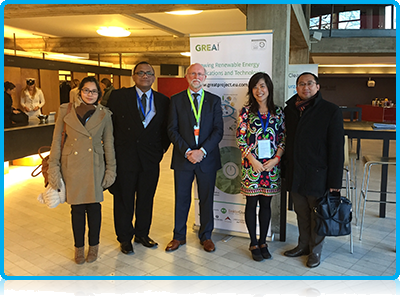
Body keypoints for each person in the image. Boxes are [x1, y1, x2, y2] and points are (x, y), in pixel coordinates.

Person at [47, 76, 116, 264]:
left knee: (94, 208)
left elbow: (109, 143)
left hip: (95, 164)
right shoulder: (65, 110)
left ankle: (94, 247)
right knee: (77, 209)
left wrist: (111, 169)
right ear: (80, 92)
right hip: (72, 165)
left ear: (99, 94)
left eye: (94, 91)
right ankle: (78, 248)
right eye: (86, 90)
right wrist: (53, 166)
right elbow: (56, 140)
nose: (90, 94)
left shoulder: (104, 114)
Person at [107, 62, 170, 254]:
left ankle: (142, 233)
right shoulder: (118, 96)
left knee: (146, 199)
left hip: (150, 160)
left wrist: (159, 153)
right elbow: (109, 127)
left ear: (153, 77)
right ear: (133, 76)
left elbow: (166, 131)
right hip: (125, 158)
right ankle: (124, 237)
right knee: (124, 199)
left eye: (149, 73)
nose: (145, 76)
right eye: (140, 73)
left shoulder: (163, 101)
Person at [283, 72, 344, 268]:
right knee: (301, 213)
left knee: (318, 214)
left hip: (319, 174)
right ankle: (303, 245)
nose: (305, 87)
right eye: (301, 84)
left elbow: (336, 149)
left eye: (310, 83)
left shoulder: (330, 111)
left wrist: (335, 183)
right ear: (297, 88)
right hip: (296, 174)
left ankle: (315, 251)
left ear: (317, 87)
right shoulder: (290, 110)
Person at [165, 63, 223, 252]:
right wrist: (188, 151)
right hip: (184, 159)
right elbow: (171, 130)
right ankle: (178, 236)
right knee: (181, 199)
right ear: (186, 76)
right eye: (193, 73)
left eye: (200, 73)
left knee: (206, 199)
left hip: (207, 159)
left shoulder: (214, 100)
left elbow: (218, 131)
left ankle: (206, 236)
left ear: (205, 77)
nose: (196, 76)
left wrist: (202, 151)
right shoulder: (176, 100)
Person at [236, 72, 285, 261]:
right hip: (252, 166)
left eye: (262, 86)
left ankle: (263, 241)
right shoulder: (246, 111)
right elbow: (240, 138)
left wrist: (276, 159)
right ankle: (253, 242)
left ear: (269, 88)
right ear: (251, 90)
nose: (259, 90)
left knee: (266, 204)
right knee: (251, 203)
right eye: (255, 87)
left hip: (271, 167)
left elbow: (283, 138)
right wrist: (253, 160)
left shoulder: (278, 112)